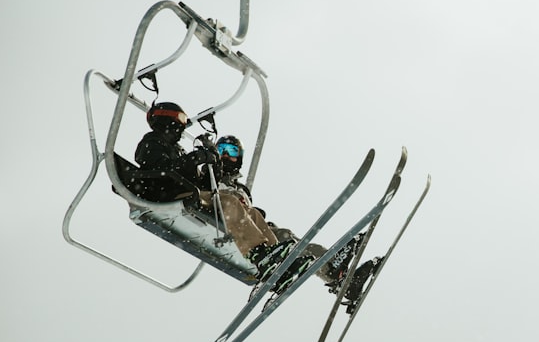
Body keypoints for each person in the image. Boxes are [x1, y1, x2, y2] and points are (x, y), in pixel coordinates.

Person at [134, 103, 306, 292]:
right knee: (229, 202)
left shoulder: (175, 148)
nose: (183, 127)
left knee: (254, 214)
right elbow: (163, 168)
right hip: (169, 193)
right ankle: (259, 253)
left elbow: (200, 181)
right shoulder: (153, 142)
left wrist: (211, 161)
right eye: (182, 120)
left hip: (187, 191)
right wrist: (196, 158)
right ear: (168, 119)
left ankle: (276, 262)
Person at [214, 134, 381, 302]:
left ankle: (336, 273)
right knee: (243, 212)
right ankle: (266, 256)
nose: (226, 155)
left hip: (247, 226)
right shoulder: (211, 174)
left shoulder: (239, 187)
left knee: (289, 238)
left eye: (232, 151)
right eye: (221, 150)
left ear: (239, 156)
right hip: (224, 222)